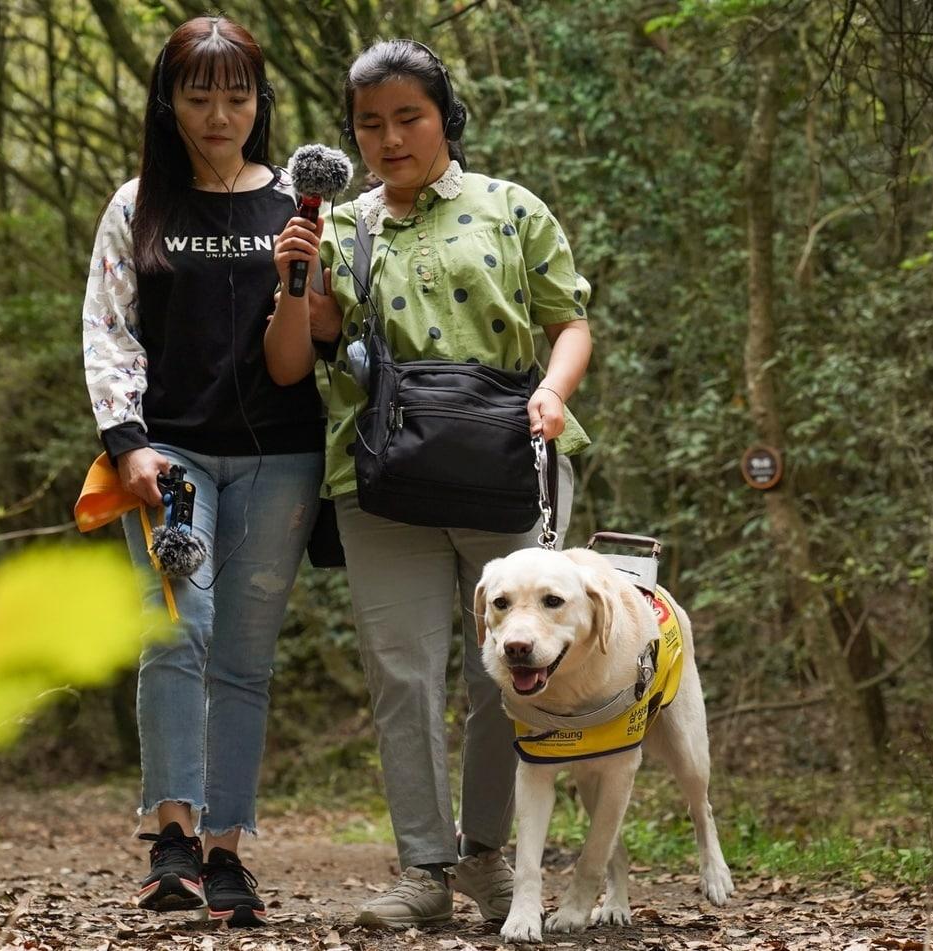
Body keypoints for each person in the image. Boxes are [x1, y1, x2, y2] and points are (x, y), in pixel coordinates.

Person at [294, 38, 594, 929]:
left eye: (408, 118)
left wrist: (550, 391)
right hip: (382, 473)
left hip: (511, 457)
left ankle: (488, 857)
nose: (391, 139)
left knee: (515, 665)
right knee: (403, 674)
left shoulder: (511, 208)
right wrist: (303, 262)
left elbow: (569, 320)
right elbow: (316, 336)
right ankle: (422, 870)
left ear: (444, 118)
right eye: (370, 124)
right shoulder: (346, 224)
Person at [80, 14, 326, 928]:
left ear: (260, 103)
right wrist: (126, 439)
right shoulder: (140, 203)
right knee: (178, 629)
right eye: (198, 95)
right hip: (170, 453)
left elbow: (329, 331)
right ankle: (172, 836)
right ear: (169, 102)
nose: (219, 114)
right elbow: (107, 329)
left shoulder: (300, 203)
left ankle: (227, 850)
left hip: (282, 455)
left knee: (245, 657)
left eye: (236, 95)